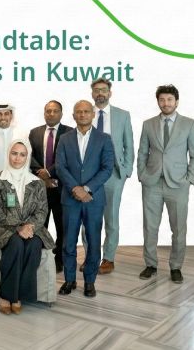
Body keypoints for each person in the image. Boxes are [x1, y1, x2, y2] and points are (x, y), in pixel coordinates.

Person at [137, 85, 194, 284]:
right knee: (150, 227)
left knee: (179, 228)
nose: (166, 103)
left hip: (178, 184)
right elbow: (142, 152)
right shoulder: (148, 124)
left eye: (169, 100)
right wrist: (142, 175)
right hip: (152, 183)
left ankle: (176, 267)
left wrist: (189, 179)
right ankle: (150, 264)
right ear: (158, 101)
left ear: (176, 101)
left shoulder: (190, 124)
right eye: (162, 100)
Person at [0, 140, 55, 314]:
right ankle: (5, 295)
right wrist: (18, 227)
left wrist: (30, 226)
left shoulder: (37, 183)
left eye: (22, 155)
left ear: (27, 157)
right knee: (16, 244)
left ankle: (18, 295)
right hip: (2, 228)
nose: (17, 158)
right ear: (8, 154)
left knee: (34, 244)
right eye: (14, 153)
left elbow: (42, 211)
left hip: (31, 228)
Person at [55, 100, 114, 298]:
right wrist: (75, 188)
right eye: (78, 112)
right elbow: (60, 166)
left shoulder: (104, 139)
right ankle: (69, 280)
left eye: (86, 111)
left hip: (93, 199)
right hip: (70, 199)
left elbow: (107, 168)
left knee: (94, 241)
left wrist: (86, 189)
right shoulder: (64, 139)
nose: (82, 114)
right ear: (73, 116)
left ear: (93, 114)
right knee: (68, 242)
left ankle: (90, 281)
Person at [89, 78, 134, 274]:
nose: (100, 93)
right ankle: (91, 257)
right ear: (92, 94)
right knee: (89, 218)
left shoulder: (123, 115)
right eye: (96, 90)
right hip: (89, 174)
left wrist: (126, 171)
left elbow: (129, 144)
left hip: (114, 174)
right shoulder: (86, 113)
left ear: (110, 93)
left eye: (104, 90)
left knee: (111, 218)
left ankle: (108, 258)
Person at [28, 100, 71, 272]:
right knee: (40, 225)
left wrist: (50, 172)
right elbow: (29, 156)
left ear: (61, 113)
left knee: (62, 227)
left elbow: (68, 157)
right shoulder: (34, 132)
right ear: (44, 113)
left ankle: (59, 259)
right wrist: (41, 173)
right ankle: (39, 258)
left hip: (61, 188)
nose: (51, 114)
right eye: (48, 111)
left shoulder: (70, 132)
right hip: (40, 188)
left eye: (55, 111)